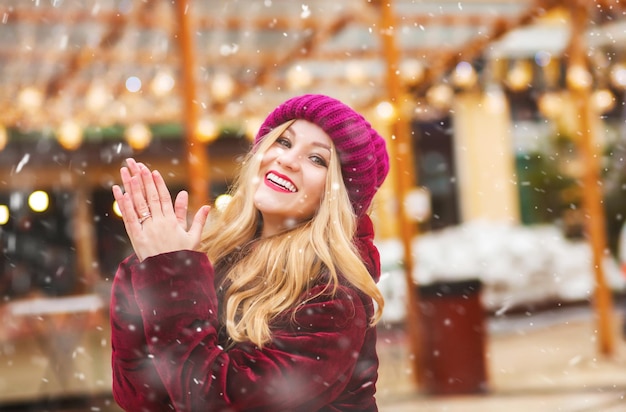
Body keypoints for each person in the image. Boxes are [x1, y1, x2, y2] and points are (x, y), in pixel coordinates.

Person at [109, 94, 390, 411]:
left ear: (337, 195)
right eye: (284, 142)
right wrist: (148, 265)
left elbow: (216, 401)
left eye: (318, 159)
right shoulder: (214, 255)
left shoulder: (334, 295)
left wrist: (170, 274)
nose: (287, 160)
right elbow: (139, 396)